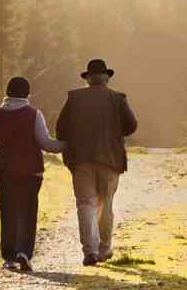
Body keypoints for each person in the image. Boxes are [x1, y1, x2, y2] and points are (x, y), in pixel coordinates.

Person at [0, 76, 65, 272]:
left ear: (7, 92)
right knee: (28, 212)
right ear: (28, 94)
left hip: (4, 171)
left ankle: (9, 257)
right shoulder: (34, 114)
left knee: (8, 211)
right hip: (31, 172)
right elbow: (45, 143)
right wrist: (67, 145)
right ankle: (23, 253)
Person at [55, 59, 138, 266]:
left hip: (81, 160)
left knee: (85, 204)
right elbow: (131, 127)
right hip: (110, 160)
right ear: (107, 77)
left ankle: (89, 252)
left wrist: (71, 145)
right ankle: (104, 249)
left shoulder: (74, 98)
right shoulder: (118, 98)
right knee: (106, 203)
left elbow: (61, 128)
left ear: (88, 78)